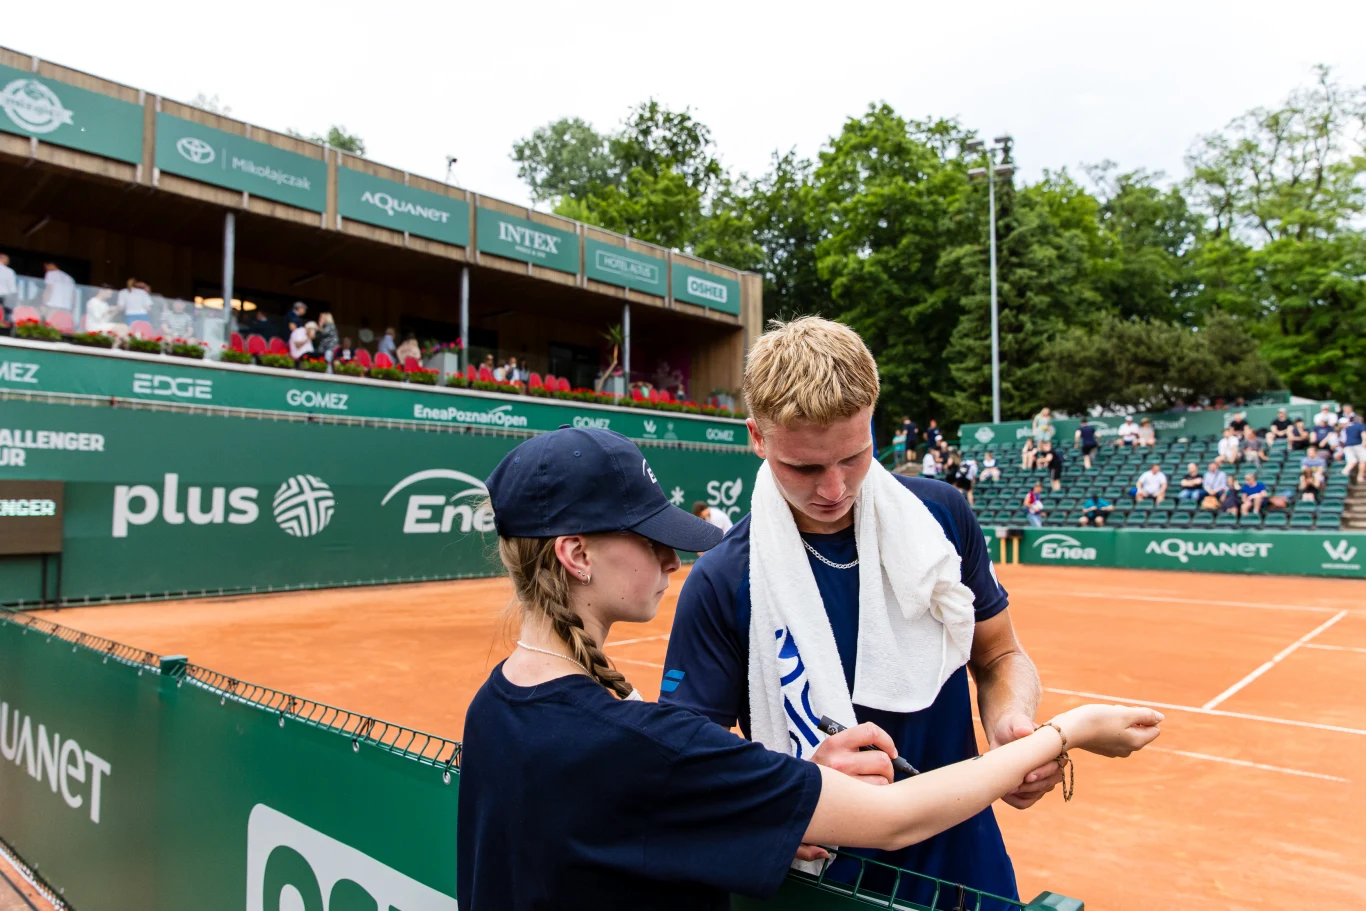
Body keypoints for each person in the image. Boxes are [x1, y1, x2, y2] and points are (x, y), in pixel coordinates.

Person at [460, 426, 1161, 911]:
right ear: (577, 555)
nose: (673, 558)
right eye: (649, 539)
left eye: (853, 455)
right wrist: (1071, 729)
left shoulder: (492, 706)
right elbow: (893, 817)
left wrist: (789, 783)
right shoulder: (646, 743)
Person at [660, 318, 1098, 906]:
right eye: (804, 467)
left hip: (965, 863)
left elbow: (999, 655)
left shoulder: (942, 518)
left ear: (872, 421)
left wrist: (1011, 724)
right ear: (758, 438)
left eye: (854, 455)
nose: (834, 489)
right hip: (822, 885)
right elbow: (689, 765)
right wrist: (791, 786)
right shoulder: (721, 578)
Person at [1340, 409, 1366, 483]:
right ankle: (1360, 477)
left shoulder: (1347, 427)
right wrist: (1364, 442)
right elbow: (1363, 434)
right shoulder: (1360, 426)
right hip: (1358, 445)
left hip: (1347, 446)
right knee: (1363, 460)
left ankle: (1344, 473)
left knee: (1352, 461)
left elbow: (1343, 438)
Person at [0, 253, 16, 323]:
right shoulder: (9, 271)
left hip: (4, 298)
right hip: (4, 298)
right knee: (5, 320)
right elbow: (12, 289)